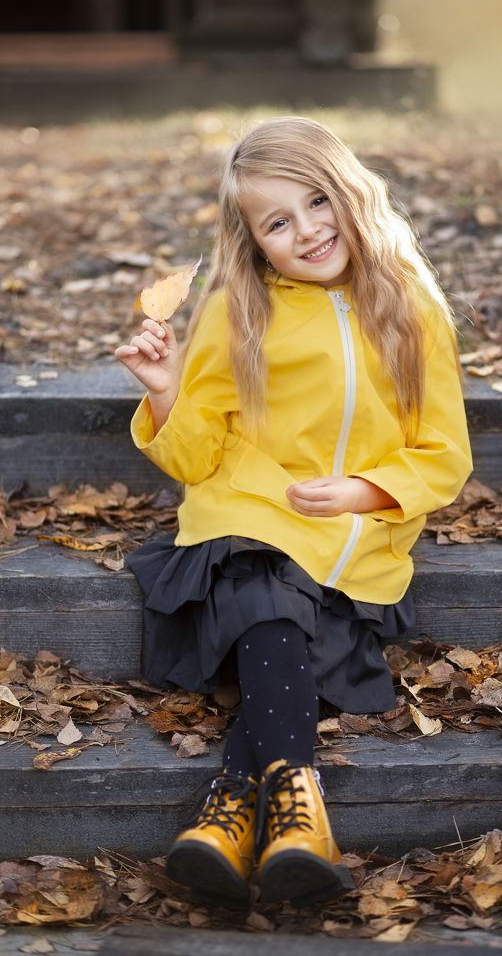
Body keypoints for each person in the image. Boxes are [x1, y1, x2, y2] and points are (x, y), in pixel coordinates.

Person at [114, 116, 473, 910]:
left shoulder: (411, 306)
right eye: (278, 222)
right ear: (253, 241)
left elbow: (444, 453)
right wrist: (166, 391)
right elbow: (197, 456)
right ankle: (302, 818)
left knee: (310, 630)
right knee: (267, 595)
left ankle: (229, 811)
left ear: (350, 192)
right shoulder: (236, 312)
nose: (307, 230)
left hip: (356, 540)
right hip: (253, 515)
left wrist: (365, 490)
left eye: (317, 202)